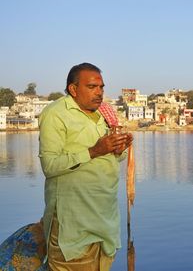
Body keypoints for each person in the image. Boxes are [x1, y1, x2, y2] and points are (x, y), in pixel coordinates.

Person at [38, 62, 133, 271]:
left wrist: (119, 148)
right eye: (92, 87)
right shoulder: (55, 114)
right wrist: (94, 151)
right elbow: (50, 165)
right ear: (73, 89)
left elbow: (109, 159)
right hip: (73, 227)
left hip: (104, 223)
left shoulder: (103, 115)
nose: (99, 93)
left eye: (101, 87)